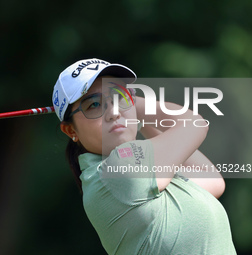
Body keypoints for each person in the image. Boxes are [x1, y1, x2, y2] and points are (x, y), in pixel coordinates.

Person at [52, 58, 236, 254]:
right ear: (71, 130)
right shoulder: (118, 169)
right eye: (94, 105)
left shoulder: (142, 171)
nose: (113, 112)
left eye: (119, 96)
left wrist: (131, 112)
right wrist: (134, 105)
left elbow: (212, 180)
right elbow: (194, 123)